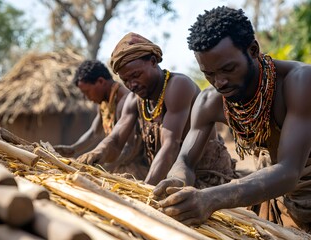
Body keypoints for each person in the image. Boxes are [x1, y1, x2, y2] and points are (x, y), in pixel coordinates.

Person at [153, 6, 311, 239]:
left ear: (253, 50)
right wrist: (178, 179)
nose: (220, 82)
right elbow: (185, 158)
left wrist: (210, 198)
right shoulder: (209, 101)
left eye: (228, 69)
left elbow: (289, 171)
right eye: (208, 74)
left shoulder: (301, 81)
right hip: (282, 200)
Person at [76, 32, 238, 186]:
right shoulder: (135, 99)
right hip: (168, 174)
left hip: (206, 176)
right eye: (126, 80)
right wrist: (97, 152)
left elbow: (170, 145)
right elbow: (117, 139)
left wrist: (146, 192)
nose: (132, 84)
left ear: (153, 62)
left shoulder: (178, 86)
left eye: (136, 75)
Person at [53, 60, 148, 180]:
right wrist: (73, 148)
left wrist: (103, 169)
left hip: (136, 171)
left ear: (101, 81)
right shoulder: (105, 103)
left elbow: (129, 148)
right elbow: (93, 132)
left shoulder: (125, 101)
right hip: (118, 165)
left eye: (87, 92)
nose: (87, 97)